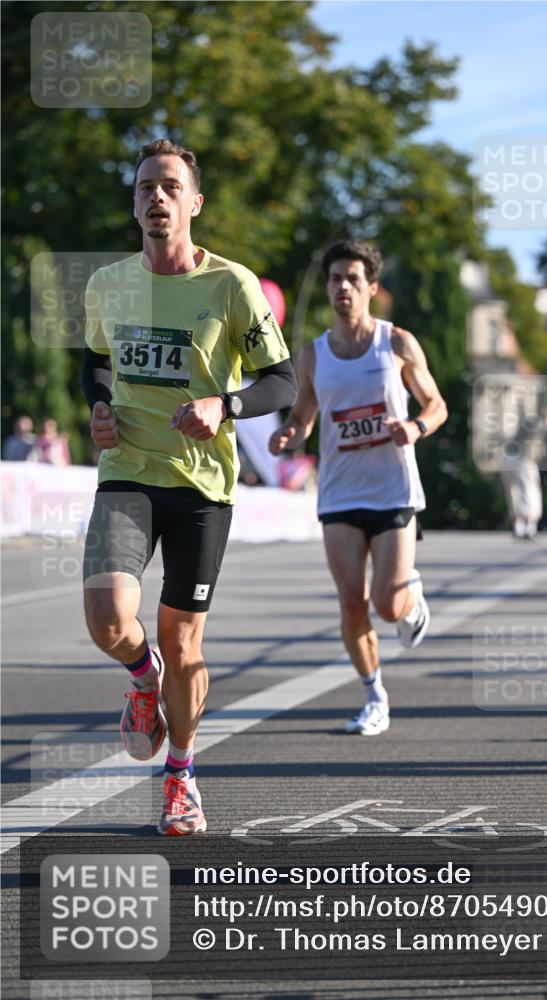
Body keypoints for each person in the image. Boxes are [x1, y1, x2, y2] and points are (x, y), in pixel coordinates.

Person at [82, 139, 296, 835]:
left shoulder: (232, 285)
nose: (158, 197)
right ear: (134, 203)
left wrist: (223, 406)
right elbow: (96, 362)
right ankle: (141, 678)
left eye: (171, 186)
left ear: (194, 203)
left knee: (184, 643)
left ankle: (181, 777)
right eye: (146, 186)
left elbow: (282, 383)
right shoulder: (108, 283)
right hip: (128, 473)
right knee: (108, 620)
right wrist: (99, 407)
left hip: (203, 486)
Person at [269, 239, 447, 735]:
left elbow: (436, 405)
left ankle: (410, 597)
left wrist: (415, 428)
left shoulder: (397, 344)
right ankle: (375, 697)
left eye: (353, 279)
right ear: (328, 288)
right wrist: (290, 434)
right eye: (335, 279)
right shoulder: (313, 354)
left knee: (387, 605)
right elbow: (303, 416)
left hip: (393, 491)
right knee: (351, 601)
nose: (342, 287)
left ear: (371, 288)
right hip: (340, 494)